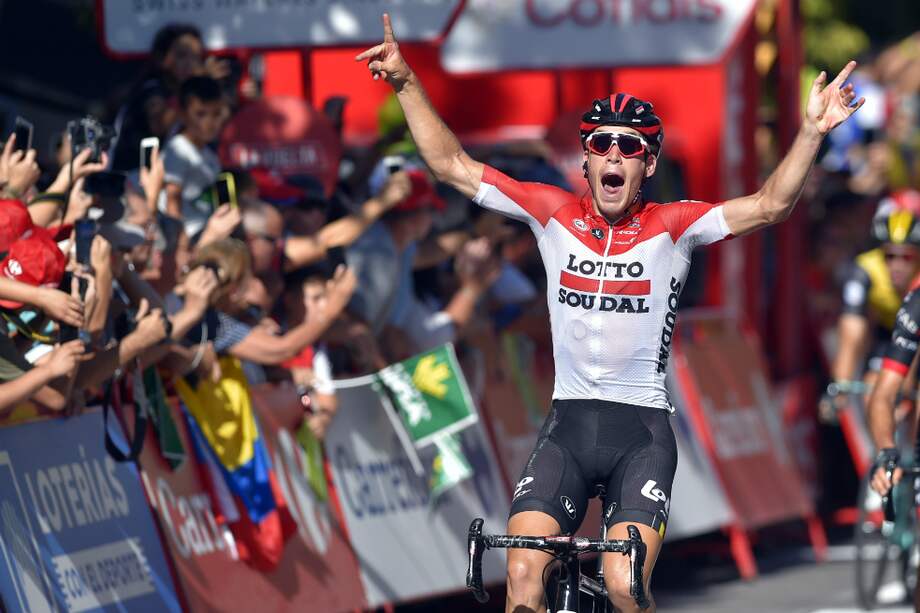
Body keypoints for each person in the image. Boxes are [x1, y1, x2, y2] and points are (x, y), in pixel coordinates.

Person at [357, 14, 863, 612]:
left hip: (641, 433)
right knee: (521, 580)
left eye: (631, 146)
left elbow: (771, 206)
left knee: (624, 587)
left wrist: (809, 131)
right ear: (586, 160)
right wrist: (407, 83)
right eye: (601, 143)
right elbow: (452, 166)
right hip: (567, 426)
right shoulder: (552, 215)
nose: (615, 154)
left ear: (649, 163)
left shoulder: (674, 227)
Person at [828, 190, 920, 411]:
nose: (897, 265)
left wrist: (907, 388)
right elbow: (852, 330)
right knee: (874, 393)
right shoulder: (866, 269)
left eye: (906, 257)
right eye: (890, 256)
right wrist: (839, 386)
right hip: (889, 333)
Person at [160, 76, 227, 239]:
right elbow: (172, 202)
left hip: (207, 229)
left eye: (216, 114)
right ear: (182, 114)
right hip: (188, 235)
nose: (210, 122)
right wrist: (179, 246)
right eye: (201, 114)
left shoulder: (210, 155)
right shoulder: (178, 151)